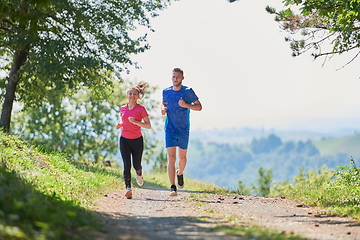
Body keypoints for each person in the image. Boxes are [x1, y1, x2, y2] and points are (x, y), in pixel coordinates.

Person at [161, 68, 202, 196]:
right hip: (170, 129)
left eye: (178, 77)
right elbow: (163, 103)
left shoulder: (188, 91)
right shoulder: (166, 91)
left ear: (182, 78)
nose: (175, 79)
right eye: (173, 76)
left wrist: (186, 105)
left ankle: (180, 173)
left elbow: (199, 107)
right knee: (171, 158)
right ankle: (173, 187)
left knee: (182, 158)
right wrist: (163, 109)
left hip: (183, 129)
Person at [116, 81, 151, 199]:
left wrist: (135, 122)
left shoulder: (141, 109)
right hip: (124, 139)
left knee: (136, 164)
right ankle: (128, 188)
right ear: (127, 96)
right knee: (127, 164)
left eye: (134, 94)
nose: (132, 96)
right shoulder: (122, 109)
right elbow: (124, 121)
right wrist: (120, 124)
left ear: (138, 96)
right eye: (130, 94)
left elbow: (148, 125)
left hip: (137, 140)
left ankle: (139, 173)